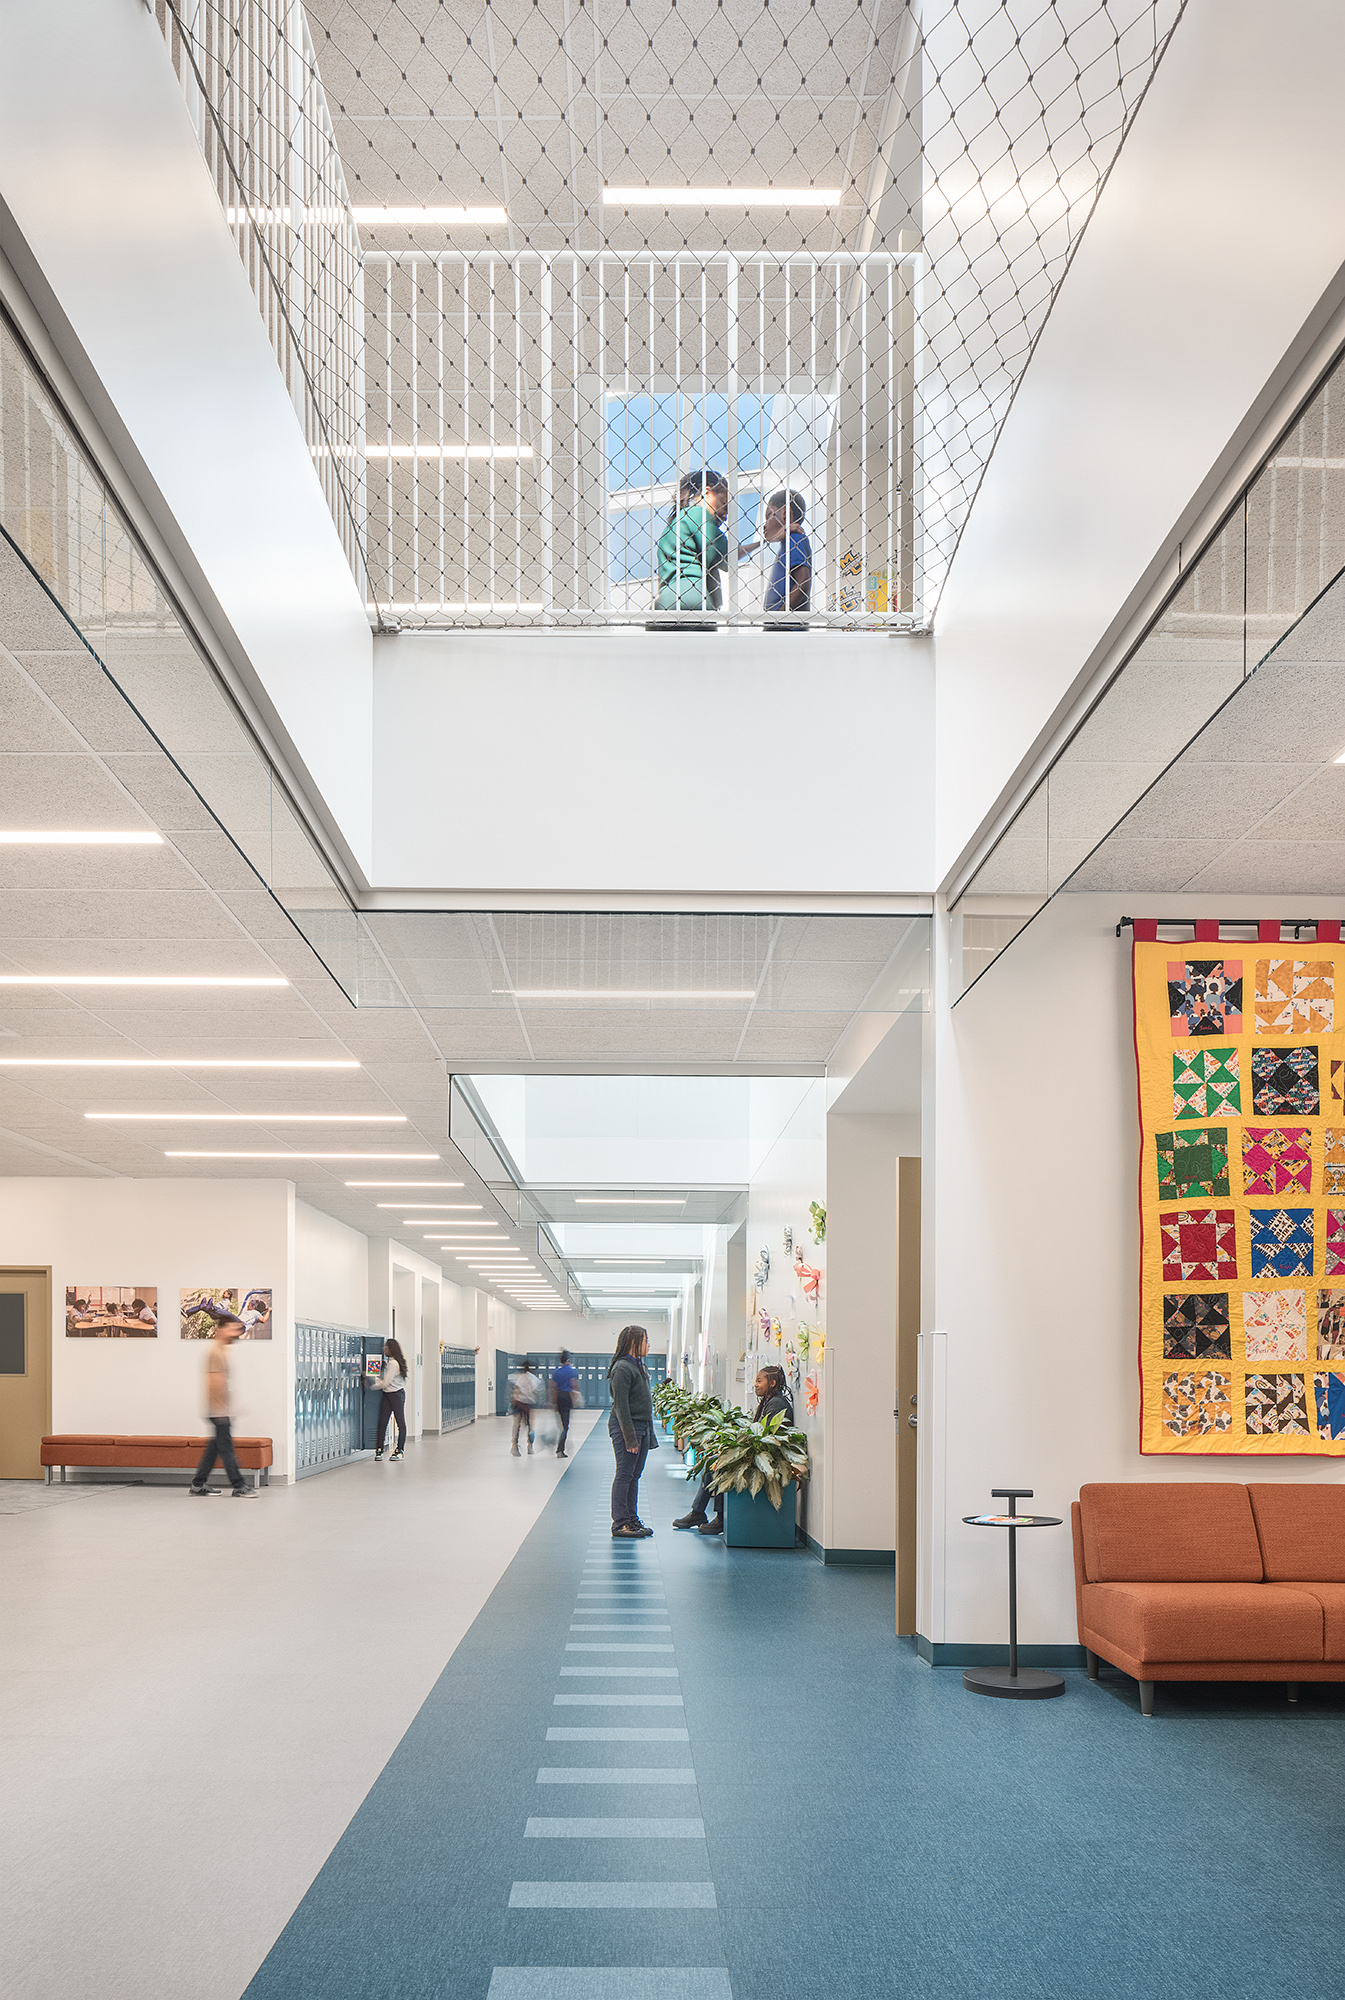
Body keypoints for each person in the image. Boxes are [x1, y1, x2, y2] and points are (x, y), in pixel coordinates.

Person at [674, 1363, 794, 1535]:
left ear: (772, 1383)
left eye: (759, 1381)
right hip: (760, 1453)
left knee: (722, 1464)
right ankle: (698, 1513)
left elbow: (766, 1438)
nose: (756, 1384)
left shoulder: (776, 1404)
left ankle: (719, 1517)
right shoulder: (769, 1402)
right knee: (711, 1462)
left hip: (769, 1458)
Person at [189, 1315, 253, 1498]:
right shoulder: (215, 1352)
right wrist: (222, 1409)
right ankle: (239, 1485)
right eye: (232, 1329)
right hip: (218, 1409)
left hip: (219, 1408)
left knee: (215, 1447)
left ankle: (198, 1484)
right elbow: (214, 1383)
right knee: (226, 1448)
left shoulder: (221, 1351)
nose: (236, 1333)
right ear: (221, 1330)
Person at [653, 470, 729, 622]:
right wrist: (765, 542)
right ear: (708, 492)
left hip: (665, 601)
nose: (726, 515)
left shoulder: (672, 526)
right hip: (692, 595)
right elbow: (729, 556)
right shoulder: (698, 514)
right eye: (724, 503)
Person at [608, 1324, 659, 1537]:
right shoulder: (622, 1368)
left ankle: (632, 1519)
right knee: (625, 1474)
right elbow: (621, 1406)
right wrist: (630, 1438)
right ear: (633, 1342)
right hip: (626, 1427)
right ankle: (620, 1523)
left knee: (634, 1475)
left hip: (642, 1426)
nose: (648, 1345)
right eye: (645, 1340)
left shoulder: (638, 1366)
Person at [739, 488, 811, 627]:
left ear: (784, 514)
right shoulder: (786, 541)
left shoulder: (794, 537)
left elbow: (803, 582)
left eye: (769, 515)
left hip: (787, 629)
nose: (765, 525)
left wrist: (778, 621)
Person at [375, 1337, 409, 1462]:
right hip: (389, 1395)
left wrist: (372, 1382)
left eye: (386, 1347)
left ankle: (399, 1450)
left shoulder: (394, 1364)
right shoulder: (391, 1362)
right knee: (382, 1422)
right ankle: (379, 1449)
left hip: (395, 1395)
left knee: (400, 1422)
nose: (384, 1349)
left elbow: (386, 1383)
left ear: (391, 1349)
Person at [510, 1358, 540, 1456]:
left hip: (519, 1403)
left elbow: (516, 1389)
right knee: (530, 1426)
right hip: (528, 1404)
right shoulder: (533, 1378)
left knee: (517, 1425)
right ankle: (530, 1446)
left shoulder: (519, 1377)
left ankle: (514, 1446)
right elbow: (536, 1391)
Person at [552, 1348, 578, 1459]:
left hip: (559, 1398)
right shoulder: (572, 1371)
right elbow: (574, 1386)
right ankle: (560, 1449)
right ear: (568, 1360)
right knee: (565, 1426)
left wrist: (553, 1402)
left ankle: (561, 1446)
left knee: (562, 1424)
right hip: (567, 1397)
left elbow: (554, 1388)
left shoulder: (557, 1371)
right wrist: (575, 1399)